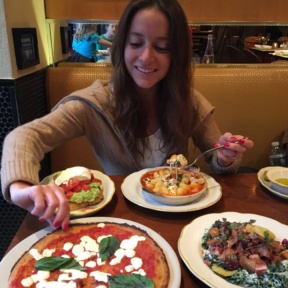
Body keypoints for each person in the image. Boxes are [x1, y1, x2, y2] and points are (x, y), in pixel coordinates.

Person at [1, 0, 253, 231]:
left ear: (176, 54)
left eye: (162, 47)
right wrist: (22, 188)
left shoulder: (189, 101)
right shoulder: (95, 103)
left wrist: (225, 156)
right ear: (121, 46)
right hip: (118, 222)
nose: (146, 56)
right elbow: (26, 136)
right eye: (135, 43)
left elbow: (221, 164)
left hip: (180, 224)